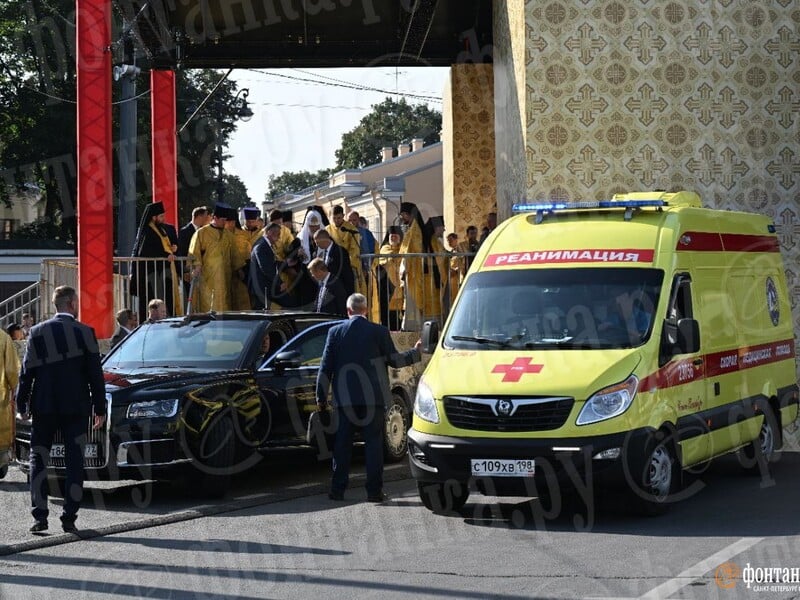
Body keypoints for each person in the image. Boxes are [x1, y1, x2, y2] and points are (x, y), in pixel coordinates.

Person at [15, 286, 106, 534]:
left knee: (38, 458)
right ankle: (69, 517)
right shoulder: (86, 332)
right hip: (76, 406)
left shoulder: (37, 331)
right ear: (73, 304)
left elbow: (27, 373)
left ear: (56, 305)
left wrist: (21, 404)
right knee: (75, 459)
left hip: (44, 405)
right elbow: (95, 376)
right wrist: (100, 407)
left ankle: (39, 516)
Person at [316, 293, 422, 502]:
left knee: (342, 444)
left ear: (348, 311)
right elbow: (395, 360)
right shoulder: (379, 332)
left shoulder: (335, 332)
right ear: (365, 310)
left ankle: (338, 490)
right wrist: (415, 352)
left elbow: (325, 368)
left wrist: (321, 397)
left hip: (345, 400)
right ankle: (374, 492)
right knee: (373, 444)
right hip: (374, 398)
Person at [131, 201, 182, 320]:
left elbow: (162, 246)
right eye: (161, 216)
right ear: (154, 217)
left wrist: (173, 249)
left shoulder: (161, 229)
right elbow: (146, 251)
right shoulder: (147, 231)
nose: (163, 219)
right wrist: (165, 255)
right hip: (151, 276)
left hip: (163, 274)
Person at [398, 201, 442, 331]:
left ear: (409, 215)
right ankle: (412, 325)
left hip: (416, 271)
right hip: (412, 270)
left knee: (415, 300)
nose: (402, 218)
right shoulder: (411, 228)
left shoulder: (415, 229)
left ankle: (414, 327)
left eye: (403, 215)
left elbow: (412, 250)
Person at [188, 203, 235, 313]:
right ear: (215, 218)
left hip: (225, 276)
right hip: (207, 277)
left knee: (225, 303)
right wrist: (197, 265)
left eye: (225, 220)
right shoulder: (201, 233)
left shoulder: (228, 235)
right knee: (208, 304)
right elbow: (193, 251)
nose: (224, 223)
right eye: (222, 220)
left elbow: (234, 254)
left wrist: (239, 269)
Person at [371, 225, 404, 329]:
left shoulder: (403, 249)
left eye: (395, 236)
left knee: (401, 317)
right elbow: (382, 262)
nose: (393, 238)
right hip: (388, 288)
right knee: (389, 318)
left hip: (401, 287)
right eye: (391, 237)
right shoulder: (385, 249)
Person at [326, 205, 364, 295]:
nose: (336, 220)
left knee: (347, 291)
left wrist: (349, 265)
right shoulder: (327, 229)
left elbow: (354, 250)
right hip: (332, 265)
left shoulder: (351, 229)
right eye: (334, 218)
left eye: (339, 218)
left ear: (343, 216)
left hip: (347, 265)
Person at [177, 206, 210, 302]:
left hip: (202, 271)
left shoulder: (204, 232)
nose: (207, 219)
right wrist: (184, 272)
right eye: (205, 216)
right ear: (199, 217)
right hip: (190, 271)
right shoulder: (184, 232)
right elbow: (182, 252)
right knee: (190, 297)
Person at [313, 229, 355, 296]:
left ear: (324, 239)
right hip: (331, 292)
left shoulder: (340, 251)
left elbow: (346, 273)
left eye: (317, 243)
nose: (317, 245)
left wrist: (347, 294)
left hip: (341, 291)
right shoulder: (324, 253)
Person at [249, 223, 281, 309]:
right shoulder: (261, 246)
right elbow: (266, 268)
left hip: (263, 288)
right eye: (277, 234)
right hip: (261, 288)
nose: (278, 238)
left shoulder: (263, 244)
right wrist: (279, 283)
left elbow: (270, 262)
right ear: (269, 233)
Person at [225, 214, 252, 311]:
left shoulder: (244, 235)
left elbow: (248, 253)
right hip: (224, 270)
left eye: (228, 221)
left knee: (242, 298)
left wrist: (243, 268)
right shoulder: (220, 234)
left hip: (241, 270)